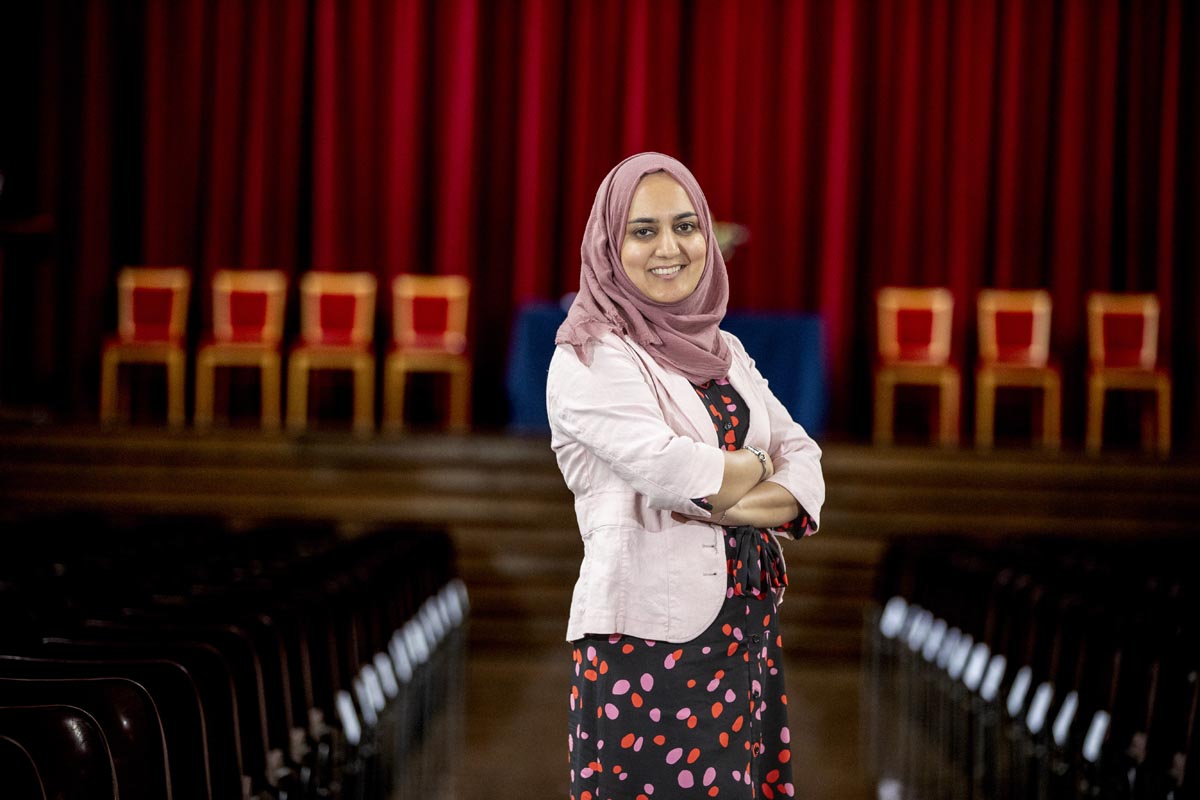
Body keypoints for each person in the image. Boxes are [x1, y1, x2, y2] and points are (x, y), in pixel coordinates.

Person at [546, 152, 825, 800]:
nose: (669, 247)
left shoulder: (724, 350)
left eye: (685, 225)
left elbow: (805, 457)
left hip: (743, 629)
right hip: (647, 641)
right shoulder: (588, 355)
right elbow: (675, 471)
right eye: (643, 231)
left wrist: (734, 482)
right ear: (609, 245)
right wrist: (761, 468)